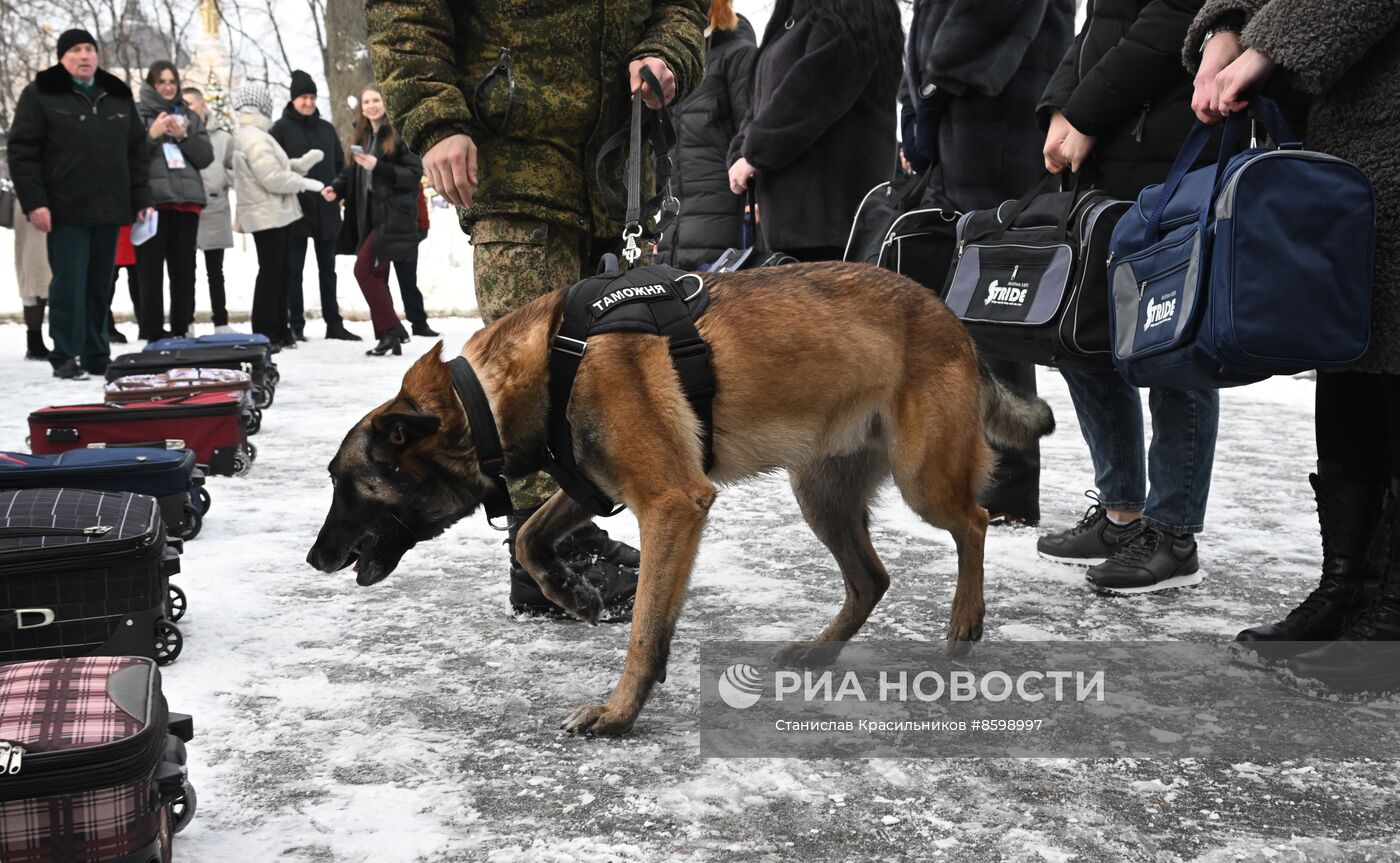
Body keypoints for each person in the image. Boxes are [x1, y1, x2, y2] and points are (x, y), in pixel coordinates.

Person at [364, 0, 706, 618]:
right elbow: (405, 16)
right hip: (514, 166)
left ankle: (578, 532)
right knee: (528, 384)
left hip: (617, 170)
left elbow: (679, 8)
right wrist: (437, 118)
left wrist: (669, 52)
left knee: (611, 382)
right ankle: (548, 554)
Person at [1184, 0, 1400, 676]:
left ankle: (1390, 610)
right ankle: (1346, 588)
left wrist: (1262, 48)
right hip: (1346, 120)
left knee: (1388, 347)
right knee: (1350, 346)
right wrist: (1223, 28)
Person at [1033, 0, 1219, 596]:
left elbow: (1173, 24)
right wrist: (1062, 108)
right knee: (1086, 333)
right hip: (1109, 145)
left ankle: (1173, 530)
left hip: (1168, 144)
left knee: (1170, 338)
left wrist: (1086, 114)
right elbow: (1097, 26)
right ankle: (1121, 513)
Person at [903, 0, 1076, 529]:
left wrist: (932, 94)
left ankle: (1009, 490)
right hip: (969, 135)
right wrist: (919, 105)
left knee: (999, 309)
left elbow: (981, 24)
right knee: (973, 310)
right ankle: (982, 477)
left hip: (995, 136)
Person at [7, 29, 151, 380]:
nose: (84, 56)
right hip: (65, 208)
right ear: (62, 57)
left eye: (89, 49)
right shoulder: (40, 94)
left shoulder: (116, 94)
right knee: (69, 283)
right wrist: (35, 202)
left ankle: (96, 352)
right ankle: (65, 353)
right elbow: (23, 152)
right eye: (75, 50)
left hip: (108, 207)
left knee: (99, 284)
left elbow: (137, 150)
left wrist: (141, 198)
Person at [727, 0, 904, 262]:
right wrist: (741, 152)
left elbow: (808, 94)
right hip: (790, 221)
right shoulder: (793, 18)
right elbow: (761, 101)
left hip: (827, 220)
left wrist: (754, 153)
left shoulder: (849, 15)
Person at [654, 0, 757, 270]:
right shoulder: (668, 63)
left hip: (722, 225)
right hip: (668, 232)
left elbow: (750, 133)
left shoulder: (737, 53)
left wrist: (754, 203)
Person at [322, 85, 418, 356]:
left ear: (385, 103)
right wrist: (335, 188)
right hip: (366, 216)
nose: (372, 105)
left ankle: (393, 328)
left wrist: (379, 166)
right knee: (377, 274)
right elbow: (350, 172)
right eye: (367, 101)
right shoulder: (362, 135)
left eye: (376, 100)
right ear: (362, 107)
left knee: (362, 270)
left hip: (392, 216)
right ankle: (388, 337)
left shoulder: (398, 134)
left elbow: (413, 173)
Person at [230, 82, 325, 348]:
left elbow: (277, 168)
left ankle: (279, 330)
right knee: (272, 273)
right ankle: (266, 331)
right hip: (267, 214)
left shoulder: (257, 134)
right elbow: (272, 178)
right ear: (261, 105)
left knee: (280, 272)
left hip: (273, 213)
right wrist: (305, 183)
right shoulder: (254, 137)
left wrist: (301, 164)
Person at [271, 70, 361, 342]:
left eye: (311, 97)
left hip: (326, 209)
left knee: (328, 270)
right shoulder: (280, 129)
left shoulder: (326, 129)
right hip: (295, 210)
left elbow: (338, 166)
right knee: (293, 270)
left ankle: (333, 323)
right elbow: (276, 169)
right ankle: (295, 324)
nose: (308, 102)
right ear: (293, 99)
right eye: (303, 97)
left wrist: (337, 188)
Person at [135, 60, 213, 342]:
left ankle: (182, 328)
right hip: (153, 203)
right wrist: (152, 135)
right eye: (162, 82)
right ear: (152, 85)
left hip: (187, 201)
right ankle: (152, 330)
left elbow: (206, 156)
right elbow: (130, 155)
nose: (168, 87)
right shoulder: (138, 113)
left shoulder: (189, 117)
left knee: (184, 270)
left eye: (172, 82)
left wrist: (183, 137)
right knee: (150, 271)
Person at [184, 86, 235, 334]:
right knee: (185, 271)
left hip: (215, 206)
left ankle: (221, 322)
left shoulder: (223, 138)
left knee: (216, 271)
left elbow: (235, 167)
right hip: (187, 207)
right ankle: (186, 323)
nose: (188, 109)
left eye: (191, 103)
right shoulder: (178, 135)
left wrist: (223, 178)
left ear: (202, 104)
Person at [14, 187, 53, 360]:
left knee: (38, 272)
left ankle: (39, 341)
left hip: (55, 201)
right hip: (31, 205)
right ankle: (35, 341)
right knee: (34, 272)